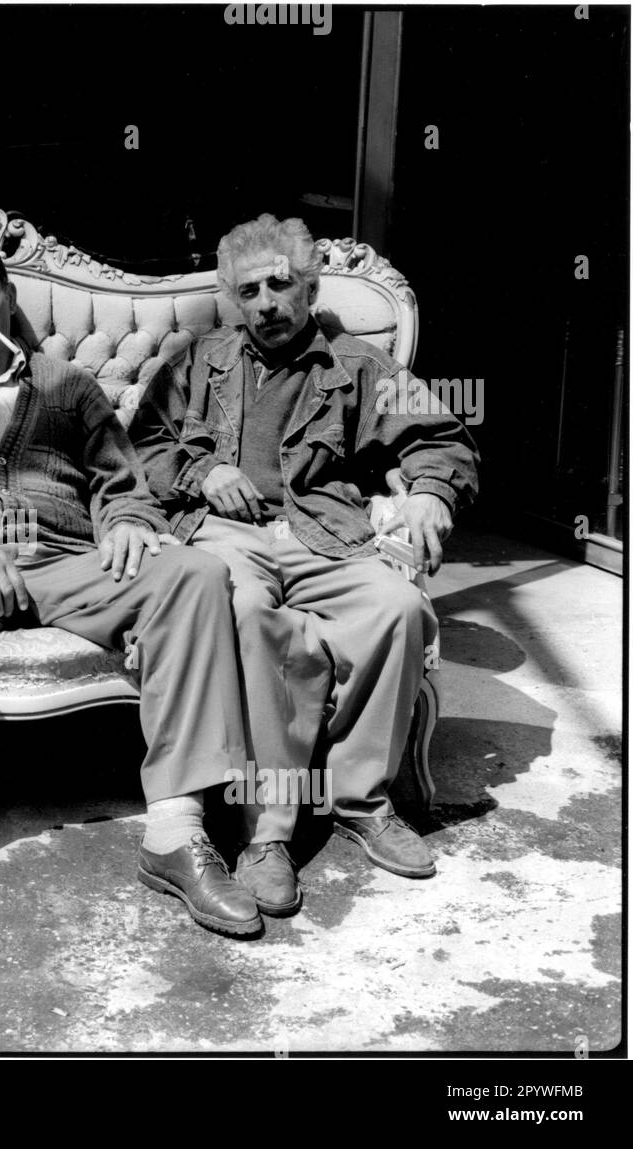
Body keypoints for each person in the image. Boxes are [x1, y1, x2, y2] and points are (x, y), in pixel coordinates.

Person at [0, 242, 260, 937]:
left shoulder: (68, 384)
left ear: (11, 297)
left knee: (194, 572)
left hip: (71, 560)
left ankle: (176, 829)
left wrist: (127, 518)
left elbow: (120, 479)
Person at [132, 214, 479, 915]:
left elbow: (443, 438)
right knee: (248, 613)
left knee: (399, 607)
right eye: (250, 290)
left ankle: (363, 803)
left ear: (310, 286)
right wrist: (203, 472)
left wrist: (430, 498)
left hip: (328, 532)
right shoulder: (197, 361)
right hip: (227, 533)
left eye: (281, 285)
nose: (266, 303)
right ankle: (267, 833)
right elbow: (141, 445)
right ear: (231, 297)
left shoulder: (358, 364)